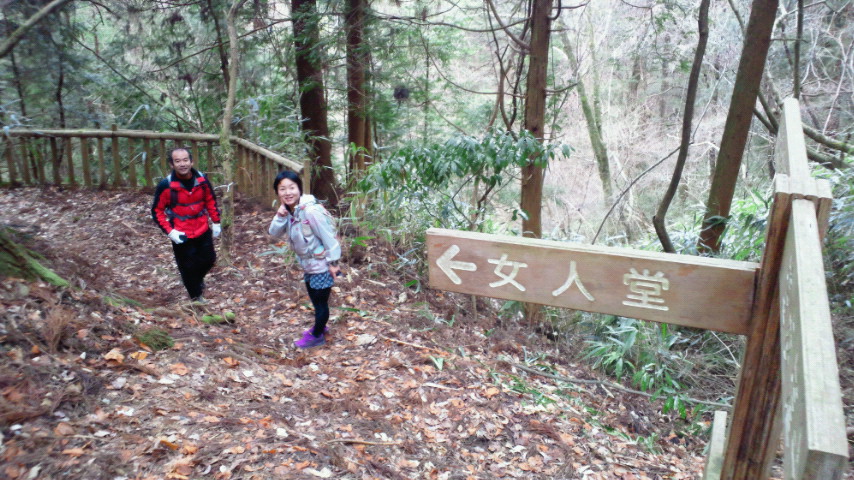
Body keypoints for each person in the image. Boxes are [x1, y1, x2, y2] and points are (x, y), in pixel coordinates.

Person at [268, 170, 341, 349]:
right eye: (282, 189)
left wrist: (334, 263)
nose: (287, 192)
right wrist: (279, 216)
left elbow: (329, 236)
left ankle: (317, 335)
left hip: (321, 264)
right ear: (277, 192)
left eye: (292, 187)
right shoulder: (291, 212)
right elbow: (273, 234)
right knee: (316, 301)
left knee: (320, 303)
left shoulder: (310, 211)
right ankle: (320, 327)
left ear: (299, 189)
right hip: (308, 264)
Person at [151, 147, 221, 302]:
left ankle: (197, 280)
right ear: (171, 164)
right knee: (187, 267)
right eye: (177, 161)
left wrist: (216, 222)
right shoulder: (166, 185)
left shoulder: (202, 180)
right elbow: (157, 211)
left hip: (202, 227)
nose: (182, 164)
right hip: (181, 233)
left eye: (185, 160)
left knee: (209, 259)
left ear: (191, 161)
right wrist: (170, 232)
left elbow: (210, 200)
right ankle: (196, 298)